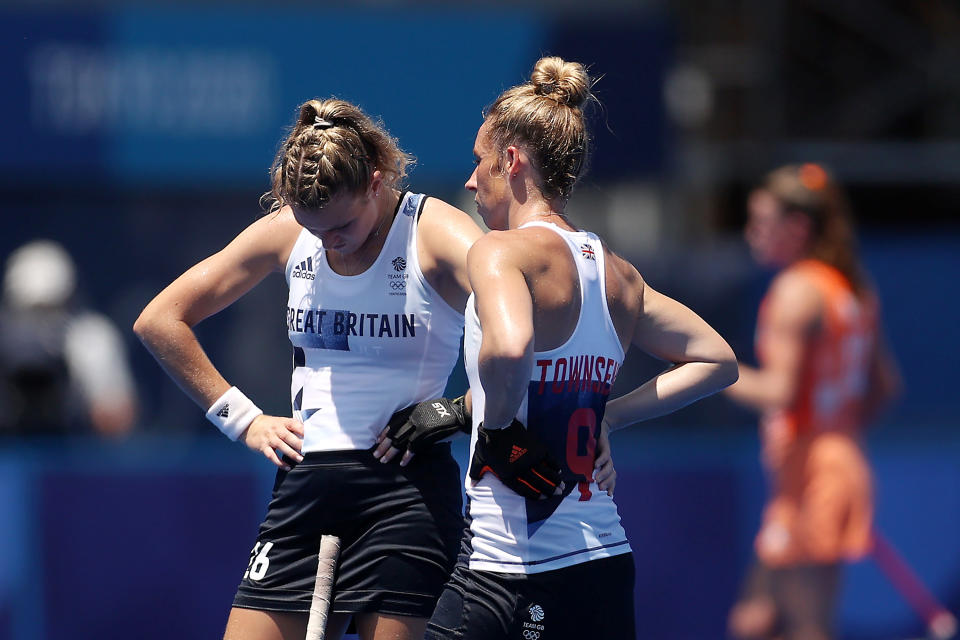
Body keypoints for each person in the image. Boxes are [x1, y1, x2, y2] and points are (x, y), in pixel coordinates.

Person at [134, 98, 615, 640]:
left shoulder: (435, 233)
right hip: (304, 489)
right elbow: (161, 320)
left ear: (375, 183)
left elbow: (528, 338)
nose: (327, 242)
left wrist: (553, 411)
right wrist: (243, 420)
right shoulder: (288, 233)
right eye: (313, 228)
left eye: (340, 225)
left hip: (405, 495)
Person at [423, 56, 739, 640]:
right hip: (606, 566)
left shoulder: (500, 253)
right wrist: (605, 417)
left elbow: (512, 347)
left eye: (478, 161)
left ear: (511, 161)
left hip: (511, 571)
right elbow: (717, 360)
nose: (470, 181)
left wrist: (493, 430)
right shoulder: (619, 274)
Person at [725, 163, 901, 640]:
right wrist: (837, 436)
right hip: (833, 461)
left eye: (761, 222)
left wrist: (706, 372)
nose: (751, 233)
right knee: (754, 621)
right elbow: (886, 387)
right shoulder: (853, 287)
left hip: (813, 474)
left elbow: (777, 391)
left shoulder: (797, 290)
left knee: (807, 627)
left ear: (797, 228)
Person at [0, 239, 137, 437]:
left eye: (50, 308)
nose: (38, 324)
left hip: (71, 457)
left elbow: (118, 423)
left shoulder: (91, 338)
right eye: (30, 310)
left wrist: (87, 383)